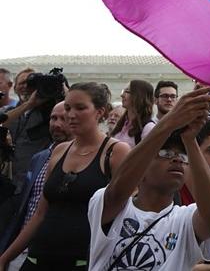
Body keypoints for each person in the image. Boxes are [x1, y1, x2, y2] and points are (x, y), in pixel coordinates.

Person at [87, 87, 210, 271]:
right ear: (141, 167)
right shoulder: (107, 203)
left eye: (182, 157)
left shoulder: (184, 219)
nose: (176, 159)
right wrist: (169, 122)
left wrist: (190, 140)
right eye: (165, 153)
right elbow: (117, 191)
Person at [0, 83, 130, 271]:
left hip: (82, 260)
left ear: (100, 111)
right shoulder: (59, 151)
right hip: (39, 257)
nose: (71, 115)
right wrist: (6, 257)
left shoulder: (116, 151)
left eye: (80, 108)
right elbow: (40, 214)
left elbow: (127, 208)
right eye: (68, 108)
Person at [0, 102, 70, 261]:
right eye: (53, 118)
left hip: (58, 250)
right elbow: (27, 205)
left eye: (63, 119)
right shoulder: (39, 158)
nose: (57, 124)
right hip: (23, 249)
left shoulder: (86, 160)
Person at [111, 79, 156, 147]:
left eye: (127, 91)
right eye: (123, 91)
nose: (122, 95)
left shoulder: (148, 128)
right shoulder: (121, 123)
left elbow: (147, 155)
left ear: (139, 96)